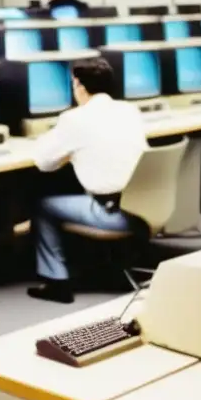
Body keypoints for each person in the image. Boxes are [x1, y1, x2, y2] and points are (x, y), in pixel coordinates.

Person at [27, 57, 148, 303]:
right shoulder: (130, 110)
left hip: (111, 214)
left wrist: (58, 143)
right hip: (146, 207)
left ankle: (56, 282)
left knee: (43, 204)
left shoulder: (74, 119)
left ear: (80, 87)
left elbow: (43, 163)